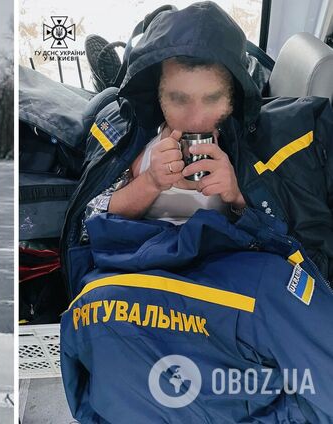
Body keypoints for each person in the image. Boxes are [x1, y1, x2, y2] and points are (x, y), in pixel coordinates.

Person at [59, 2, 333, 423]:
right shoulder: (128, 141)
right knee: (103, 319)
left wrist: (239, 198)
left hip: (222, 271)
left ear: (234, 96)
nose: (194, 117)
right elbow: (90, 223)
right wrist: (148, 183)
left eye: (212, 99)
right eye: (178, 99)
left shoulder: (252, 149)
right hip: (142, 267)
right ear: (157, 95)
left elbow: (290, 242)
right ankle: (115, 75)